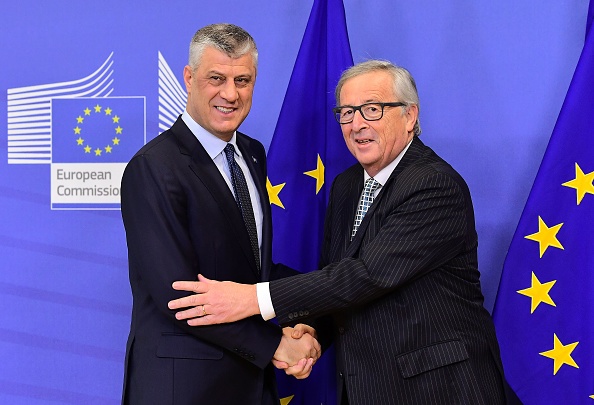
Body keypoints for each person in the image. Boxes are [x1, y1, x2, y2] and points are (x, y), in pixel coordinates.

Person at [168, 60, 507, 405]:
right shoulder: (346, 186)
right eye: (346, 113)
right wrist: (312, 332)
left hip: (441, 390)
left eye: (372, 109)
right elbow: (335, 280)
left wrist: (251, 299)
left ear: (409, 116)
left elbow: (367, 275)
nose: (356, 124)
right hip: (368, 389)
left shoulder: (433, 184)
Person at [120, 23, 320, 405]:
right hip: (185, 388)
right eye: (216, 78)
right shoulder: (154, 167)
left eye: (243, 80)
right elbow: (180, 295)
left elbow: (254, 269)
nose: (230, 94)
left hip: (251, 384)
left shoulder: (252, 153)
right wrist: (276, 344)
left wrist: (316, 307)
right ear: (189, 77)